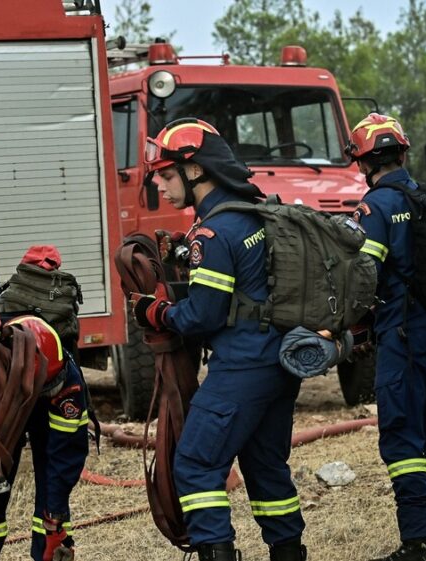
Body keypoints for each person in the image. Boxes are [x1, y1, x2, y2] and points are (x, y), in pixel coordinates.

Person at [131, 118, 307, 561]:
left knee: (195, 464)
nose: (163, 188)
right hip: (280, 365)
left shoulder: (212, 233)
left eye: (168, 176)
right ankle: (288, 553)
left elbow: (202, 317)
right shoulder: (257, 213)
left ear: (196, 172)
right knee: (266, 467)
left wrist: (155, 311)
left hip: (241, 368)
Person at [343, 113, 426, 561]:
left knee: (402, 437)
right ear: (402, 153)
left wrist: (344, 324)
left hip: (406, 333)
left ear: (364, 162)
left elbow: (362, 277)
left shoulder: (375, 208)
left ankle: (417, 542)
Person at [0, 251, 90, 561]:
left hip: (32, 406)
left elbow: (66, 454)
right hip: (10, 403)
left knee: (50, 487)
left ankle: (49, 548)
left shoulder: (68, 384)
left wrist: (54, 518)